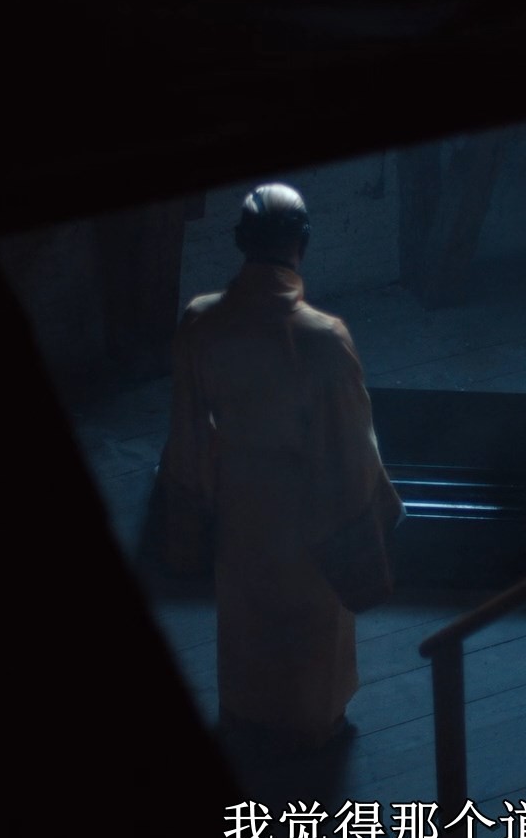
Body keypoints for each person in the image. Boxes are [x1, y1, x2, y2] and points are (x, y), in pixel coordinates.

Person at [147, 182, 404, 755]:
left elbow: (187, 430)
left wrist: (190, 503)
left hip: (238, 495)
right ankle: (314, 720)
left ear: (241, 241)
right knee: (311, 619)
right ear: (302, 243)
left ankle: (247, 709)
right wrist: (376, 507)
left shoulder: (200, 321)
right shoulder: (323, 338)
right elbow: (351, 444)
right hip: (309, 500)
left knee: (246, 610)